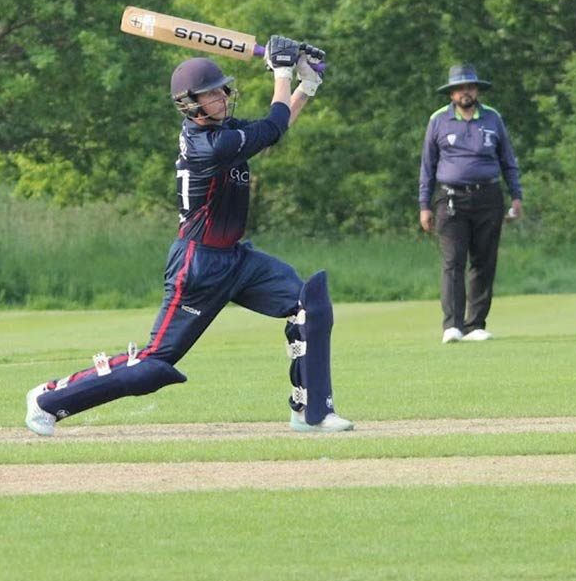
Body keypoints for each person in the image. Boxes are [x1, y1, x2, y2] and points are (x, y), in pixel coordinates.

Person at [24, 37, 354, 435]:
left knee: (308, 305)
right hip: (197, 266)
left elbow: (274, 131)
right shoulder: (206, 145)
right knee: (152, 365)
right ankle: (49, 398)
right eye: (211, 93)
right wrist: (282, 72)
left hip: (236, 259)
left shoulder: (225, 134)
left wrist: (305, 85)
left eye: (221, 89)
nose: (221, 97)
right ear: (190, 104)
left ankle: (310, 410)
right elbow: (271, 126)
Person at [418, 64, 523, 344]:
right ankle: (452, 325)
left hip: (488, 196)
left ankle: (475, 323)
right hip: (450, 198)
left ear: (477, 90)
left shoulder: (492, 118)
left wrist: (516, 195)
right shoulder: (438, 120)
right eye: (460, 88)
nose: (466, 92)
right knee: (453, 261)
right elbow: (427, 166)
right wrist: (424, 205)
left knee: (484, 261)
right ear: (452, 93)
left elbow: (508, 161)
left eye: (470, 87)